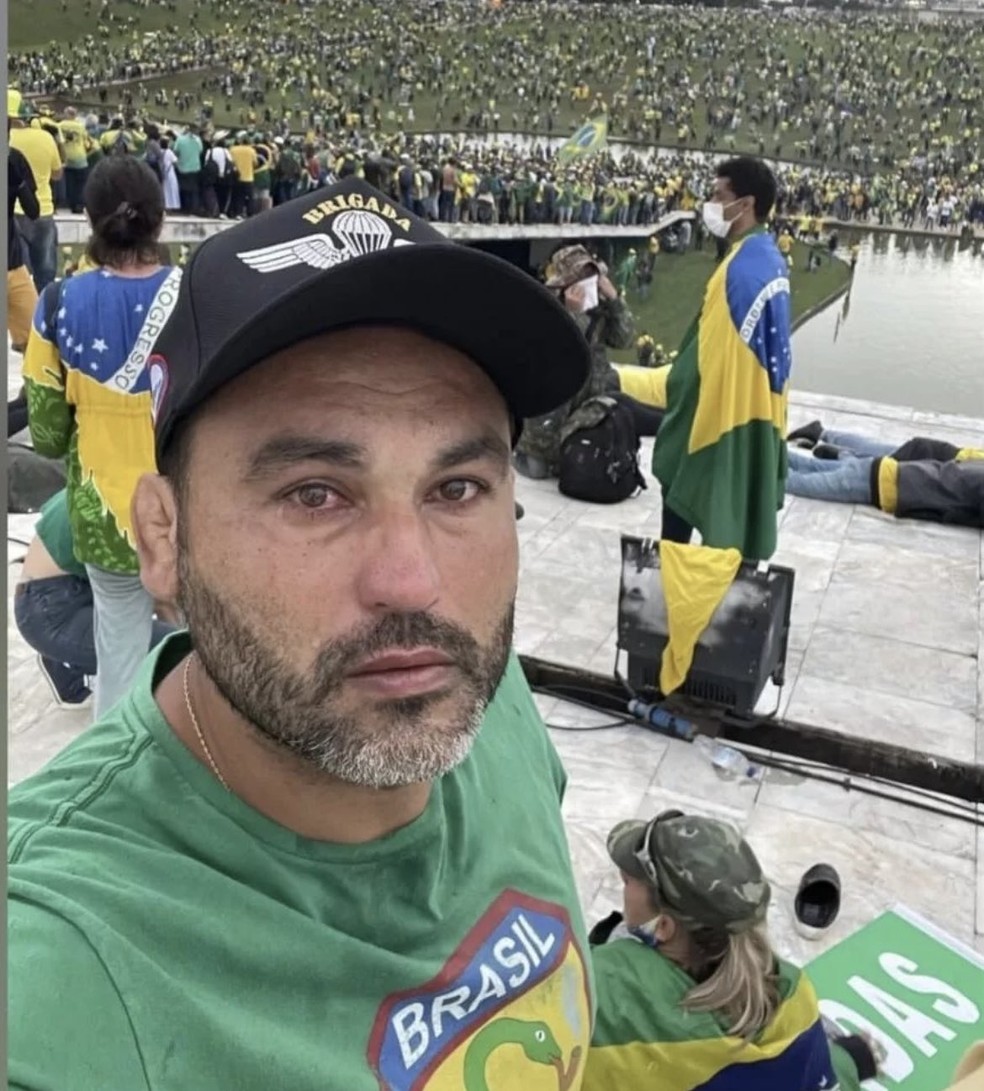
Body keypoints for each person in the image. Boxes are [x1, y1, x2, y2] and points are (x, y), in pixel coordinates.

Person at [9, 177, 595, 1088]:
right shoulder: (59, 969)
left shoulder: (480, 692)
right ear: (164, 537)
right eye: (315, 493)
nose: (414, 584)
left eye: (457, 488)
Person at [21, 156, 177, 719]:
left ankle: (122, 773)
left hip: (104, 517)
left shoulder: (58, 303)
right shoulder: (196, 296)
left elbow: (44, 432)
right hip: (191, 513)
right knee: (216, 652)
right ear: (159, 219)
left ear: (90, 219)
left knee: (119, 655)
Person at [582, 810, 880, 1091]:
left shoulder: (604, 992)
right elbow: (792, 1075)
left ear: (663, 927)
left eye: (629, 880)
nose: (623, 884)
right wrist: (849, 1060)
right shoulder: (794, 998)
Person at [653, 157, 791, 560]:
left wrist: (677, 399)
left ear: (745, 204)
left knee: (683, 499)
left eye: (718, 196)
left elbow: (704, 363)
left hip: (719, 419)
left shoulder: (741, 273)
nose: (710, 204)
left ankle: (675, 591)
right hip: (758, 410)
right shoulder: (766, 257)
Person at [14, 489, 177, 708]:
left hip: (41, 595)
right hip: (52, 611)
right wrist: (185, 641)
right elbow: (161, 597)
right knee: (174, 650)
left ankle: (69, 665)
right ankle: (70, 658)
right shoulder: (139, 508)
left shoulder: (95, 477)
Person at [514, 244, 634, 478]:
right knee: (538, 472)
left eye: (591, 275)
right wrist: (573, 314)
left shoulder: (600, 308)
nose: (587, 281)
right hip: (549, 420)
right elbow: (562, 353)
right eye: (580, 276)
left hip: (585, 410)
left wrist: (615, 301)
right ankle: (518, 449)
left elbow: (624, 340)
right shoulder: (546, 308)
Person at [785, 421, 984, 528]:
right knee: (796, 482)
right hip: (880, 483)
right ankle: (762, 467)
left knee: (809, 467)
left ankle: (839, 453)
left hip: (888, 470)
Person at [9, 94, 62, 292]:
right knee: (46, 273)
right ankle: (43, 317)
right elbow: (57, 174)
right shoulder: (45, 138)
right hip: (43, 210)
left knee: (17, 275)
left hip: (13, 211)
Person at [8, 141, 40, 353]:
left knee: (37, 338)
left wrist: (18, 183)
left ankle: (32, 386)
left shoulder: (14, 158)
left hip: (13, 264)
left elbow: (33, 211)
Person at [173, 123, 203, 214]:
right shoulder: (198, 140)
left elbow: (175, 151)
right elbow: (200, 151)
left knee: (183, 189)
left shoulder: (180, 139)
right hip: (195, 168)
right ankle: (193, 210)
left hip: (182, 167)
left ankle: (184, 209)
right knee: (193, 190)